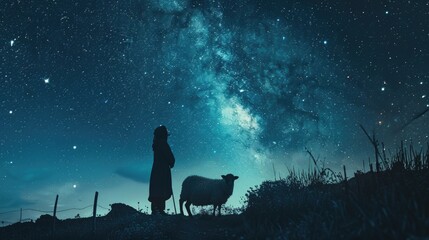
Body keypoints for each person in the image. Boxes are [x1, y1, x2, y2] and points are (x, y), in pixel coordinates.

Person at [148, 125, 175, 215]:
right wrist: (171, 162)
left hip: (157, 169)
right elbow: (170, 157)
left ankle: (156, 209)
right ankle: (160, 210)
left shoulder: (156, 144)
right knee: (162, 188)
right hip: (162, 170)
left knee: (157, 188)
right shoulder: (163, 143)